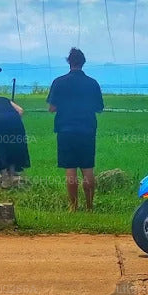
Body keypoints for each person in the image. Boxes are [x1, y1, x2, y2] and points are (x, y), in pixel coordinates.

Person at [46, 47, 104, 211]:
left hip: (65, 130)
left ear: (69, 62)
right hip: (87, 130)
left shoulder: (58, 82)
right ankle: (90, 206)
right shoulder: (92, 83)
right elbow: (99, 108)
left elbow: (52, 108)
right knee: (88, 169)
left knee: (70, 169)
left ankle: (73, 206)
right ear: (83, 63)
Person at [0, 95, 30, 177]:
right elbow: (20, 111)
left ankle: (4, 175)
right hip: (16, 120)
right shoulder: (6, 100)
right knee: (13, 145)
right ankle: (12, 172)